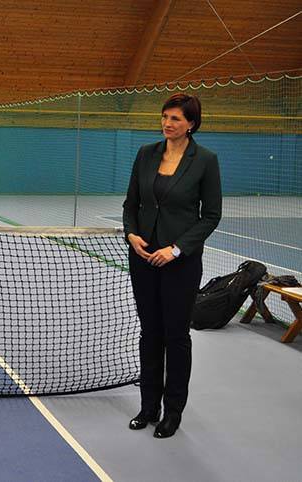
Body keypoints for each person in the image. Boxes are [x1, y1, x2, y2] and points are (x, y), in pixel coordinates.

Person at [122, 93, 222, 438]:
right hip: (144, 258)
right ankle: (148, 407)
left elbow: (211, 216)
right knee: (150, 333)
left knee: (176, 336)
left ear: (191, 123)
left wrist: (177, 249)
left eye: (176, 118)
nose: (167, 123)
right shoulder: (146, 154)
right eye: (165, 116)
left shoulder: (205, 160)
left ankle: (172, 413)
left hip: (180, 263)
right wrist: (132, 235)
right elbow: (131, 204)